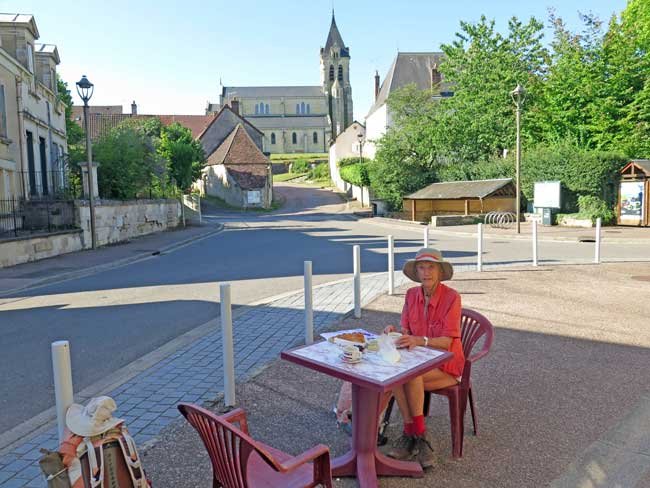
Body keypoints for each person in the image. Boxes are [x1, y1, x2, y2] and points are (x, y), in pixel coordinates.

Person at [384, 247, 465, 468]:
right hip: (419, 361)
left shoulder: (452, 297)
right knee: (401, 374)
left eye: (431, 267)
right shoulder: (411, 295)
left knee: (410, 376)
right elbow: (407, 332)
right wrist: (394, 333)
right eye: (421, 267)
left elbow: (447, 342)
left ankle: (413, 435)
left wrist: (420, 341)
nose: (426, 272)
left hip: (447, 365)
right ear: (416, 272)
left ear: (439, 271)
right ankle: (416, 435)